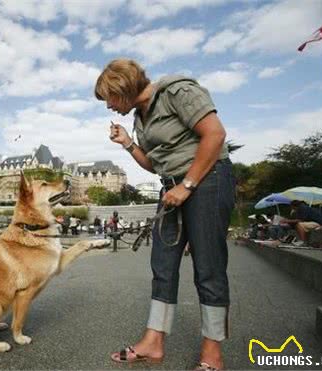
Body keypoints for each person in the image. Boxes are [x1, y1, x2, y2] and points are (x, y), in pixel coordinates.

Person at [95, 58, 235, 370]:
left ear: (123, 88)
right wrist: (129, 144)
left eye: (109, 99)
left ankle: (212, 355)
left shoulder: (177, 91)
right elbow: (154, 165)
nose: (108, 107)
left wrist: (187, 185)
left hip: (207, 180)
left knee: (209, 267)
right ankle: (153, 343)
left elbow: (215, 135)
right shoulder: (139, 117)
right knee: (163, 265)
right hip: (172, 187)